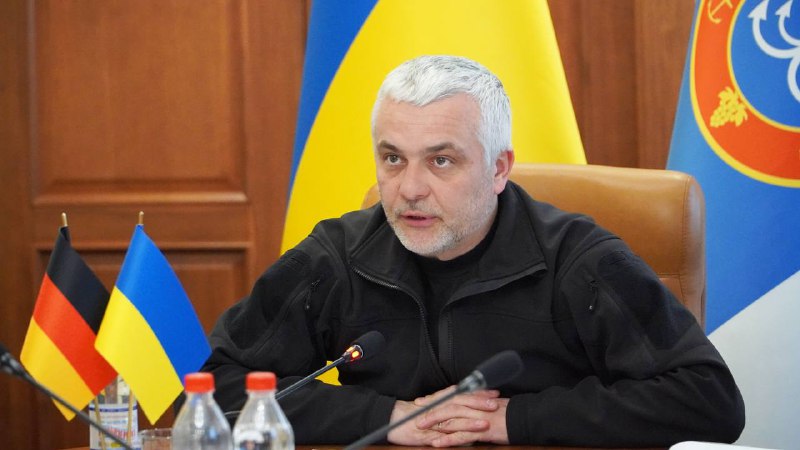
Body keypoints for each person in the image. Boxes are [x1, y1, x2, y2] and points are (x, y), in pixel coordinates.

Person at [202, 55, 745, 447]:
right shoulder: (335, 257)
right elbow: (217, 392)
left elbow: (708, 399)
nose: (410, 189)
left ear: (499, 168)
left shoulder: (580, 260)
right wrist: (386, 416)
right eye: (393, 159)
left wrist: (516, 420)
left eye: (441, 161)